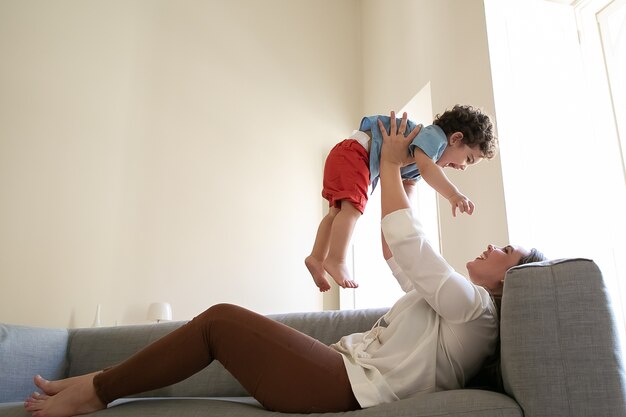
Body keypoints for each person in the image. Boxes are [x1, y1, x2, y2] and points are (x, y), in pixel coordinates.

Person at [24, 111, 544, 417]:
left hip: (345, 386)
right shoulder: (459, 305)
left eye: (506, 252)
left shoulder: (477, 312)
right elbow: (398, 254)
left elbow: (408, 248)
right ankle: (102, 381)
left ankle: (94, 392)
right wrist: (402, 179)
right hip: (341, 370)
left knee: (220, 322)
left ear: (511, 282)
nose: (492, 248)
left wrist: (389, 165)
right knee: (225, 323)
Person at [305, 105, 498, 292]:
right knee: (352, 211)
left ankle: (316, 257)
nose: (463, 167)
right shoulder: (434, 137)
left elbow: (405, 193)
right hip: (354, 154)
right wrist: (453, 194)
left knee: (336, 213)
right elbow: (427, 168)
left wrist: (406, 223)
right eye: (468, 159)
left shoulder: (418, 162)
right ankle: (336, 259)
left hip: (346, 155)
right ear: (456, 138)